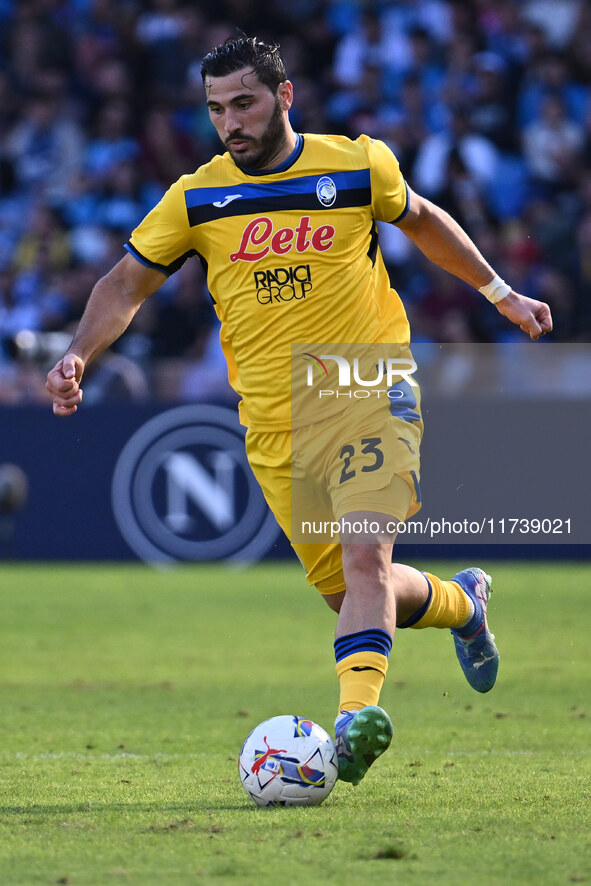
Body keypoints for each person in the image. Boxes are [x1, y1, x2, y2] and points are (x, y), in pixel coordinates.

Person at [46, 37, 552, 788]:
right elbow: (124, 284)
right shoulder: (196, 197)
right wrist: (80, 354)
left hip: (366, 388)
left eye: (244, 103)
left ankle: (351, 722)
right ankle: (462, 604)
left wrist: (498, 292)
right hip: (274, 424)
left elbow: (420, 219)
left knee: (363, 557)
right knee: (353, 594)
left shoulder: (355, 164)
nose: (230, 123)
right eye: (216, 109)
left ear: (284, 98)